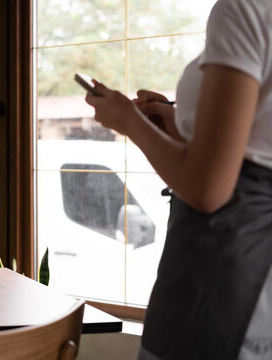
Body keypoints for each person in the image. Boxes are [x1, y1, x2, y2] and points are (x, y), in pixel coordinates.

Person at [84, 0, 272, 359]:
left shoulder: (245, 9)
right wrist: (182, 127)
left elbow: (207, 188)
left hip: (223, 265)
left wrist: (128, 120)